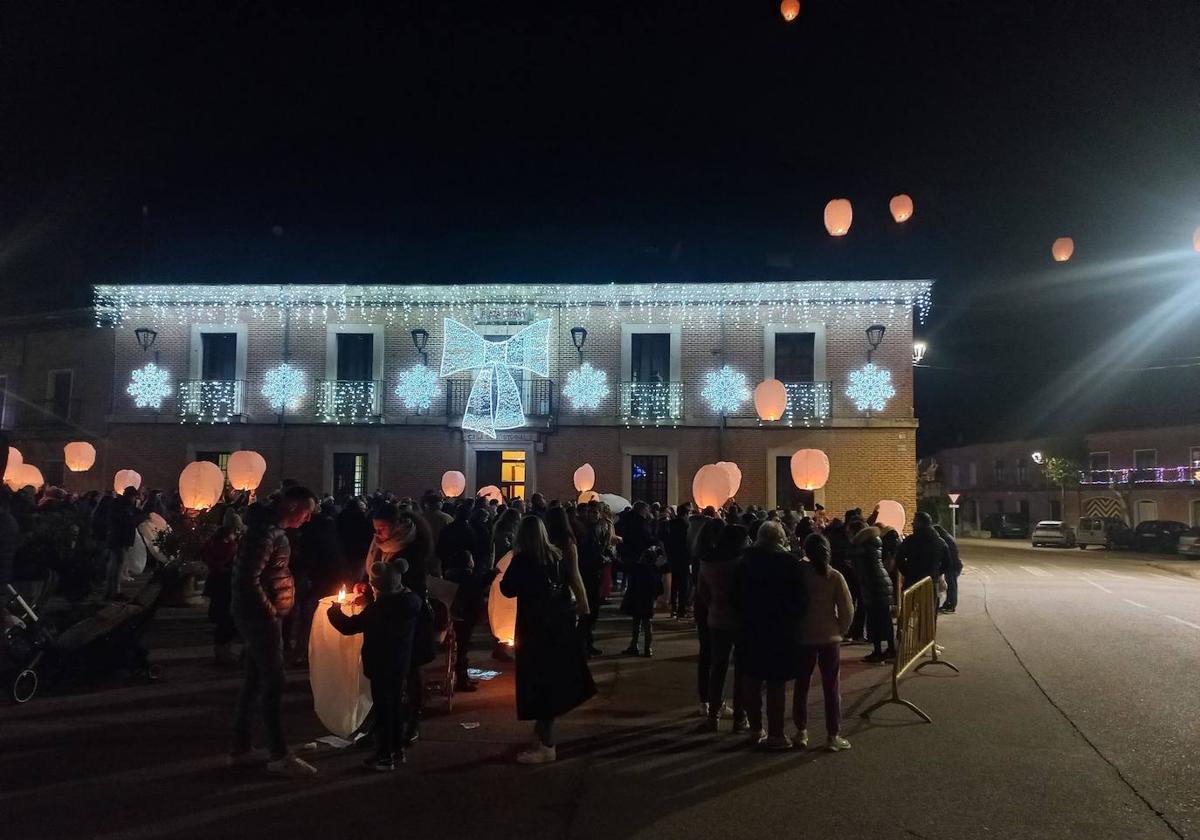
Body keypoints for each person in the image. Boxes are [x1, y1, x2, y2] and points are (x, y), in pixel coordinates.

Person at [229, 485, 318, 778]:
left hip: (259, 615)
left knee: (255, 680)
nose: (307, 520)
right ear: (292, 506)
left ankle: (242, 747)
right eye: (306, 512)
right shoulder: (265, 533)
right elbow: (248, 577)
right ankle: (279, 753)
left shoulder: (267, 530)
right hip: (259, 618)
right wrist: (269, 610)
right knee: (274, 682)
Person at [499, 516, 596, 764]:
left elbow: (507, 589)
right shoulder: (555, 557)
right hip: (558, 627)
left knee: (538, 685)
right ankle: (542, 737)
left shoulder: (523, 560)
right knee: (551, 683)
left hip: (534, 630)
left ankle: (546, 745)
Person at [328, 559, 422, 772]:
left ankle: (384, 756)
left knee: (383, 711)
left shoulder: (377, 610)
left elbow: (349, 626)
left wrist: (334, 611)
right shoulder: (410, 602)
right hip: (400, 664)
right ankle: (397, 751)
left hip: (380, 665)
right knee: (396, 707)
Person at [735, 521, 805, 749]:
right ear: (780, 539)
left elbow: (734, 594)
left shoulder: (745, 561)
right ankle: (776, 734)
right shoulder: (789, 563)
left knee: (751, 680)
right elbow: (800, 599)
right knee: (776, 683)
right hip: (780, 629)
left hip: (750, 627)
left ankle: (755, 729)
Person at [795, 533, 854, 752]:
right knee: (831, 687)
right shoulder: (834, 576)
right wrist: (840, 628)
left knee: (801, 685)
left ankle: (801, 731)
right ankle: (833, 734)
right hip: (829, 637)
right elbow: (847, 609)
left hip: (804, 636)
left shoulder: (800, 575)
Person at [697, 523, 748, 732]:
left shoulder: (707, 561)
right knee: (741, 669)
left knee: (718, 667)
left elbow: (703, 591)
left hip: (716, 618)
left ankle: (713, 714)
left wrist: (714, 606)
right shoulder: (741, 563)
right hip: (740, 619)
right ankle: (739, 716)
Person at [691, 516, 725, 716]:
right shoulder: (719, 558)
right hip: (717, 610)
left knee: (705, 655)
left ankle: (705, 701)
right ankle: (716, 702)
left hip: (702, 608)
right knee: (718, 659)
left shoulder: (699, 554)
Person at [850, 521, 896, 663]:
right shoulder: (874, 542)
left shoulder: (865, 545)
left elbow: (850, 554)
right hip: (880, 582)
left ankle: (878, 652)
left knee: (875, 619)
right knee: (884, 619)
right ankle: (890, 649)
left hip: (874, 584)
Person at [896, 512, 950, 613]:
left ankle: (903, 628)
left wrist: (907, 572)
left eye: (914, 522)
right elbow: (947, 562)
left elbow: (899, 558)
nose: (912, 524)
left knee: (907, 612)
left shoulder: (911, 540)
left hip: (912, 580)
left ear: (920, 523)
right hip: (930, 582)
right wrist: (936, 573)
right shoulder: (940, 542)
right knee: (928, 615)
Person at [201, 525, 240, 665]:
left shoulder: (211, 546)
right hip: (226, 585)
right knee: (226, 620)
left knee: (221, 618)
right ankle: (223, 653)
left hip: (216, 584)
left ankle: (221, 652)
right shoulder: (231, 548)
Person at [619, 545, 666, 657]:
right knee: (647, 625)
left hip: (636, 599)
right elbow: (660, 589)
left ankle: (634, 646)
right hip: (648, 601)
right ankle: (647, 648)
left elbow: (623, 567)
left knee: (636, 624)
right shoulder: (655, 570)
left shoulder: (637, 568)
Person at [933, 524, 962, 613]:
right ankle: (948, 604)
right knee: (951, 586)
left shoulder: (945, 540)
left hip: (953, 566)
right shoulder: (947, 537)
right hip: (954, 565)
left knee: (952, 586)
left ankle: (951, 605)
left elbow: (946, 554)